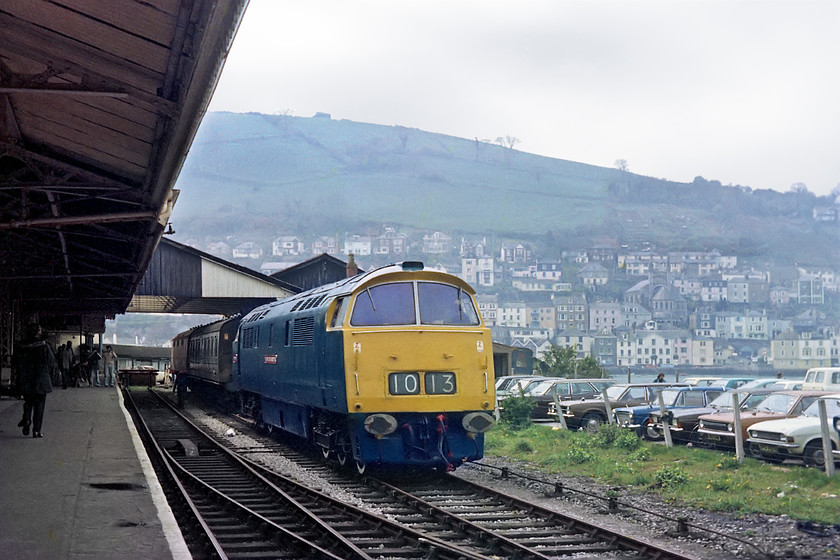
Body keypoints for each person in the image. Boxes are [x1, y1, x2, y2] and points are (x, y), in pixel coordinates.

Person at [13, 323, 57, 438]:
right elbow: (51, 362)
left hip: (26, 379)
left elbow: (14, 362)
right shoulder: (44, 346)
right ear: (38, 332)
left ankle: (27, 419)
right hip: (41, 380)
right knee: (39, 405)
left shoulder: (20, 346)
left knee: (28, 402)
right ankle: (36, 431)